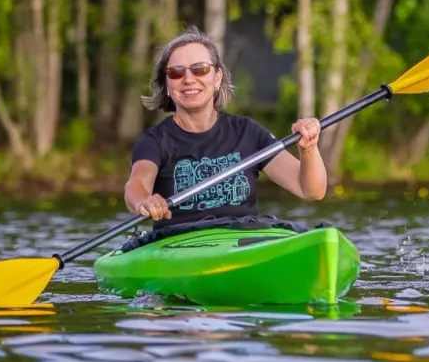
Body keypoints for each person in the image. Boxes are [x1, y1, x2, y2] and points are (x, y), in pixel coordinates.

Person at [124, 28, 326, 225]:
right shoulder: (154, 141)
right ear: (167, 84)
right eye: (176, 73)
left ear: (217, 78)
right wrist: (144, 201)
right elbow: (137, 185)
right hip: (181, 244)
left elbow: (311, 190)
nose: (188, 79)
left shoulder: (248, 133)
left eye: (200, 69)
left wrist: (308, 149)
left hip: (244, 239)